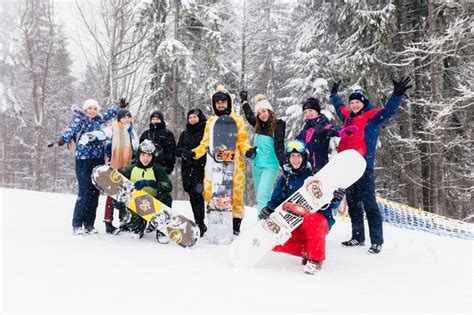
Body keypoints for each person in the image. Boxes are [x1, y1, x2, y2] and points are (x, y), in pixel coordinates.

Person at [330, 76, 413, 254]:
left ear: (363, 102)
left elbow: (389, 111)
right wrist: (334, 95)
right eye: (352, 102)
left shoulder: (371, 117)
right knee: (352, 203)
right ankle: (358, 237)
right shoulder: (347, 116)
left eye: (357, 102)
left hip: (363, 167)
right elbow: (339, 107)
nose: (354, 105)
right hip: (347, 168)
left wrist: (396, 95)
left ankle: (376, 241)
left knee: (370, 204)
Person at [259, 139, 345, 274]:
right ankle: (309, 249)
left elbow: (330, 204)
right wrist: (267, 209)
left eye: (299, 156)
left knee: (312, 220)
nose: (295, 159)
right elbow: (275, 200)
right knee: (274, 243)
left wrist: (336, 198)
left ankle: (315, 259)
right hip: (294, 222)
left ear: (304, 157)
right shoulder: (285, 178)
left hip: (318, 221)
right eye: (292, 156)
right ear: (288, 158)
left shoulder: (315, 175)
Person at [182, 85, 256, 236]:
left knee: (235, 193)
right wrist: (193, 153)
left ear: (228, 102)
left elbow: (242, 140)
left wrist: (248, 150)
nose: (221, 105)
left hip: (234, 164)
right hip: (213, 163)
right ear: (214, 104)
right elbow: (205, 143)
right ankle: (214, 221)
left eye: (223, 101)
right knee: (211, 192)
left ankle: (235, 226)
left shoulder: (238, 120)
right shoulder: (211, 121)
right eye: (218, 102)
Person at [52, 98, 126, 235]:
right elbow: (71, 130)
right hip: (83, 160)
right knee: (85, 192)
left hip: (97, 160)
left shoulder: (98, 120)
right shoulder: (80, 120)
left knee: (94, 193)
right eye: (89, 108)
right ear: (85, 110)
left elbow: (110, 114)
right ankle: (77, 223)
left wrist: (119, 108)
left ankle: (89, 224)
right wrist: (62, 139)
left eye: (94, 108)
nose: (92, 111)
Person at [239, 91, 286, 216]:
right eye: (259, 113)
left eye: (264, 111)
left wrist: (285, 164)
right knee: (259, 195)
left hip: (270, 165)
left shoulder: (278, 125)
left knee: (262, 194)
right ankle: (262, 220)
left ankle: (264, 223)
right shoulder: (258, 125)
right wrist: (244, 102)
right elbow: (249, 116)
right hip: (257, 165)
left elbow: (279, 146)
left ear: (269, 110)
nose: (262, 115)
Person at [120, 140, 173, 243]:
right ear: (139, 155)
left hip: (155, 204)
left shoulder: (157, 169)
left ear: (153, 157)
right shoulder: (130, 169)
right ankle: (139, 225)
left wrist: (150, 183)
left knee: (166, 196)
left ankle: (161, 229)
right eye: (143, 155)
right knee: (135, 229)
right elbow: (120, 188)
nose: (146, 158)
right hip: (137, 204)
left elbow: (168, 186)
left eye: (149, 156)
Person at [102, 106, 139, 234]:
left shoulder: (132, 133)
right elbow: (107, 146)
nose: (126, 119)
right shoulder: (114, 129)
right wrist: (113, 157)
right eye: (123, 117)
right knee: (112, 193)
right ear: (119, 119)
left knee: (126, 193)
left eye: (128, 117)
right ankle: (108, 221)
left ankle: (123, 220)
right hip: (115, 165)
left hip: (128, 166)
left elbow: (135, 149)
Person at [175, 108, 207, 237]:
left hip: (200, 168)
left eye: (194, 117)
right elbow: (177, 150)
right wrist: (184, 153)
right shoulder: (185, 133)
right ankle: (198, 221)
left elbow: (206, 148)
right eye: (190, 117)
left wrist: (195, 154)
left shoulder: (205, 132)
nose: (192, 119)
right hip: (187, 168)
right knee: (192, 197)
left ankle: (201, 222)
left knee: (199, 196)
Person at [295, 97, 344, 173]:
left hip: (321, 167)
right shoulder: (307, 127)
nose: (308, 114)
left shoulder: (321, 124)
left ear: (317, 111)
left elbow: (330, 128)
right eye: (305, 112)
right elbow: (298, 140)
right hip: (308, 166)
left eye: (310, 110)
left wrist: (342, 131)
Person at [139, 110, 176, 175]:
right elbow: (140, 151)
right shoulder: (146, 133)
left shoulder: (167, 134)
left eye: (157, 119)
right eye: (153, 119)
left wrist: (169, 167)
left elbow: (171, 152)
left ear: (161, 120)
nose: (155, 121)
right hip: (146, 166)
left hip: (162, 167)